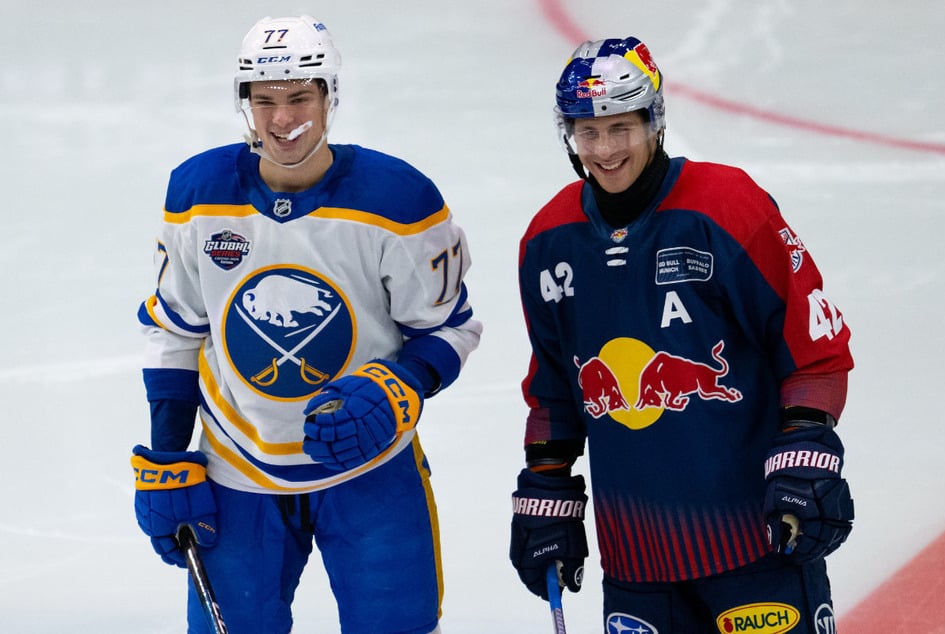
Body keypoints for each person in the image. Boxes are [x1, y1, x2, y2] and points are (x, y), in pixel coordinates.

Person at [130, 15, 481, 634]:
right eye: (263, 100)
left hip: (370, 466)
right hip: (237, 471)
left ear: (330, 98)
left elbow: (450, 326)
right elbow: (176, 330)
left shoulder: (398, 200)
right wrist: (166, 454)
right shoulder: (198, 194)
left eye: (299, 97)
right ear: (243, 104)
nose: (282, 117)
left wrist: (404, 385)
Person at [509, 37, 854, 633]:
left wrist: (806, 453)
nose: (605, 149)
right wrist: (547, 484)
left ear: (655, 121)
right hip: (636, 565)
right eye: (587, 131)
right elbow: (556, 392)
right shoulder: (548, 240)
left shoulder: (727, 207)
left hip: (756, 547)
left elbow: (815, 353)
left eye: (621, 127)